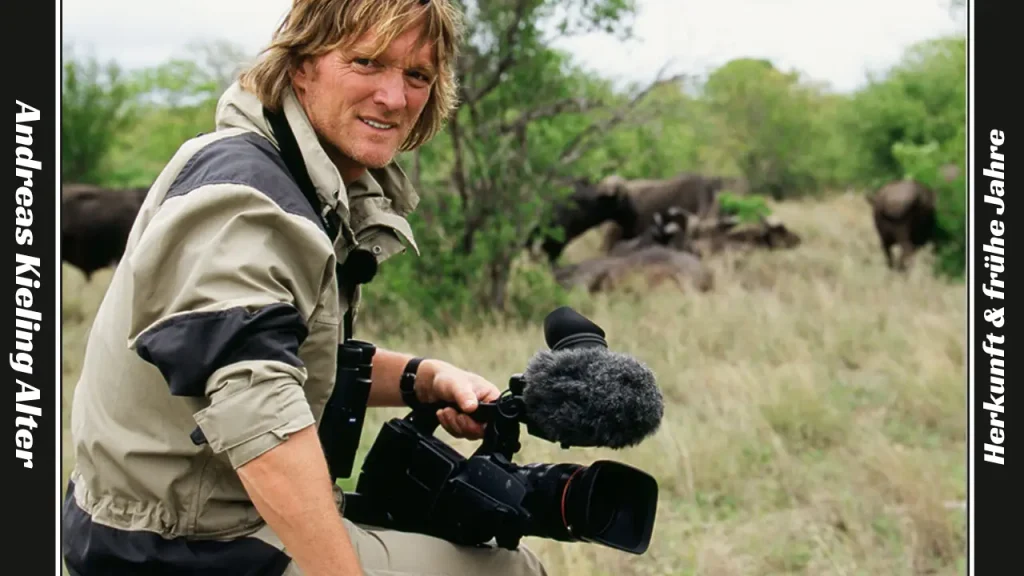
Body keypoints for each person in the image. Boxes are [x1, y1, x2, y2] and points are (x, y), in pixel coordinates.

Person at [61, 1, 549, 575]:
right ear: (300, 65)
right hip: (188, 543)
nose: (395, 97)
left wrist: (423, 378)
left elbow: (277, 353)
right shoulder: (246, 200)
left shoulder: (290, 176)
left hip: (173, 521)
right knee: (514, 571)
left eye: (418, 75)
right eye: (367, 62)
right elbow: (258, 417)